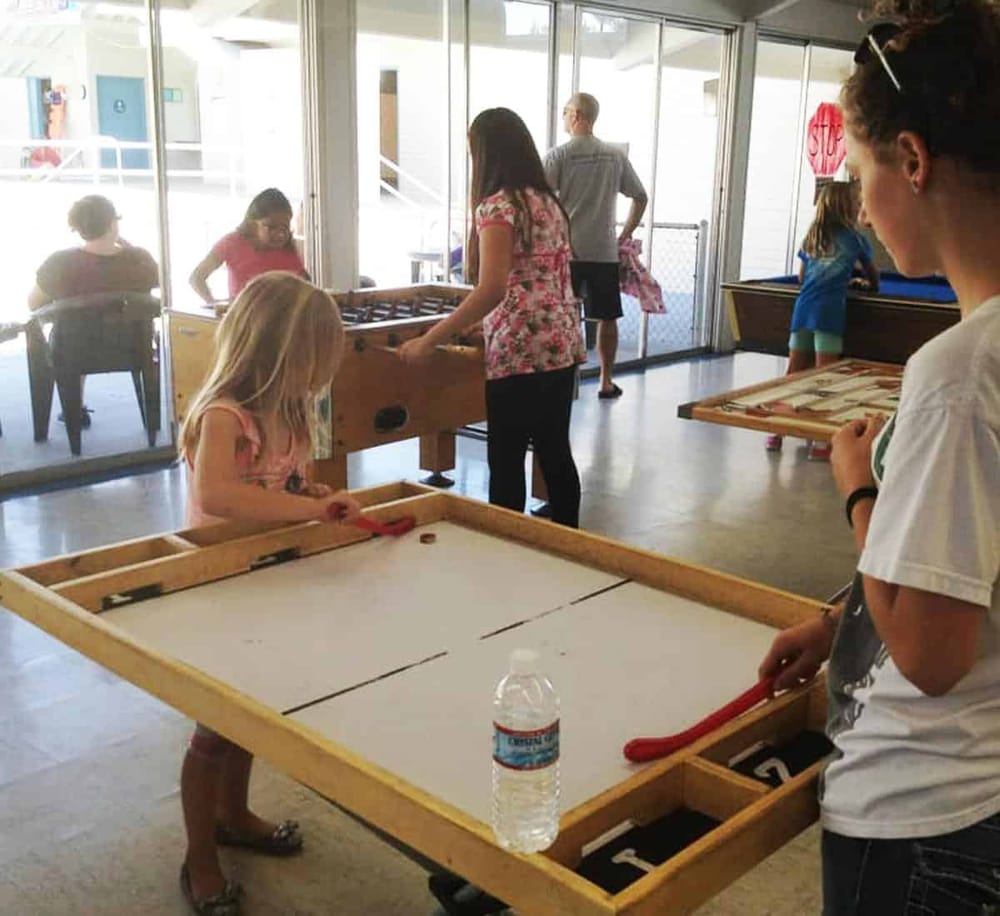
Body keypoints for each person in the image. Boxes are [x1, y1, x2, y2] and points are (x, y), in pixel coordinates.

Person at [758, 2, 1000, 913]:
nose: (859, 202)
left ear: (914, 159)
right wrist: (837, 627)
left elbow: (934, 652)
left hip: (918, 812)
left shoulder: (960, 372)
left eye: (863, 172)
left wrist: (858, 491)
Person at [177, 271, 361, 915]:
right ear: (276, 350)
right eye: (315, 358)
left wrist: (313, 497)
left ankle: (236, 816)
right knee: (210, 732)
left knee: (249, 715)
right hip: (221, 591)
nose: (320, 373)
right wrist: (302, 514)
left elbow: (278, 491)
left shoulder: (288, 414)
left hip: (271, 583)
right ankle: (201, 858)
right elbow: (219, 495)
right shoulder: (223, 415)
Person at [399, 107, 585, 528]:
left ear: (485, 154)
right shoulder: (548, 202)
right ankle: (574, 544)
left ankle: (505, 545)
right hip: (560, 341)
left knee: (506, 455)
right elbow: (535, 279)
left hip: (520, 348)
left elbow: (492, 288)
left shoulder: (498, 206)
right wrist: (478, 324)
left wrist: (430, 340)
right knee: (555, 449)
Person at [543, 92, 647, 399]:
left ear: (576, 115)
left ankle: (567, 382)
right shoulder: (614, 156)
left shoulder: (558, 156)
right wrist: (624, 235)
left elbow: (543, 201)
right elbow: (640, 196)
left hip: (568, 252)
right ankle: (605, 380)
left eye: (564, 112)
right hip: (604, 252)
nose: (563, 117)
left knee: (565, 317)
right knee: (607, 317)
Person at [766, 181, 879, 460]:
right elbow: (874, 278)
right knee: (825, 377)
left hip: (802, 310)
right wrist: (861, 281)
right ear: (846, 208)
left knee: (793, 373)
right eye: (855, 204)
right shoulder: (855, 239)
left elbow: (803, 277)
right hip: (829, 313)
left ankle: (775, 434)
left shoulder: (812, 237)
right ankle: (819, 443)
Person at [28, 194, 160, 429]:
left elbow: (33, 303)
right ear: (113, 224)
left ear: (78, 228)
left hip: (75, 352)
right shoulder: (139, 259)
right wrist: (131, 249)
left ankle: (74, 409)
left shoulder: (60, 263)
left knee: (71, 332)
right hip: (132, 348)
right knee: (89, 331)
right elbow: (162, 288)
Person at [190, 188, 307, 305]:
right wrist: (213, 304)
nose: (280, 234)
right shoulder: (232, 243)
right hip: (246, 317)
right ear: (252, 223)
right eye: (271, 227)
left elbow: (307, 284)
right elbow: (196, 278)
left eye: (285, 227)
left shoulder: (292, 247)